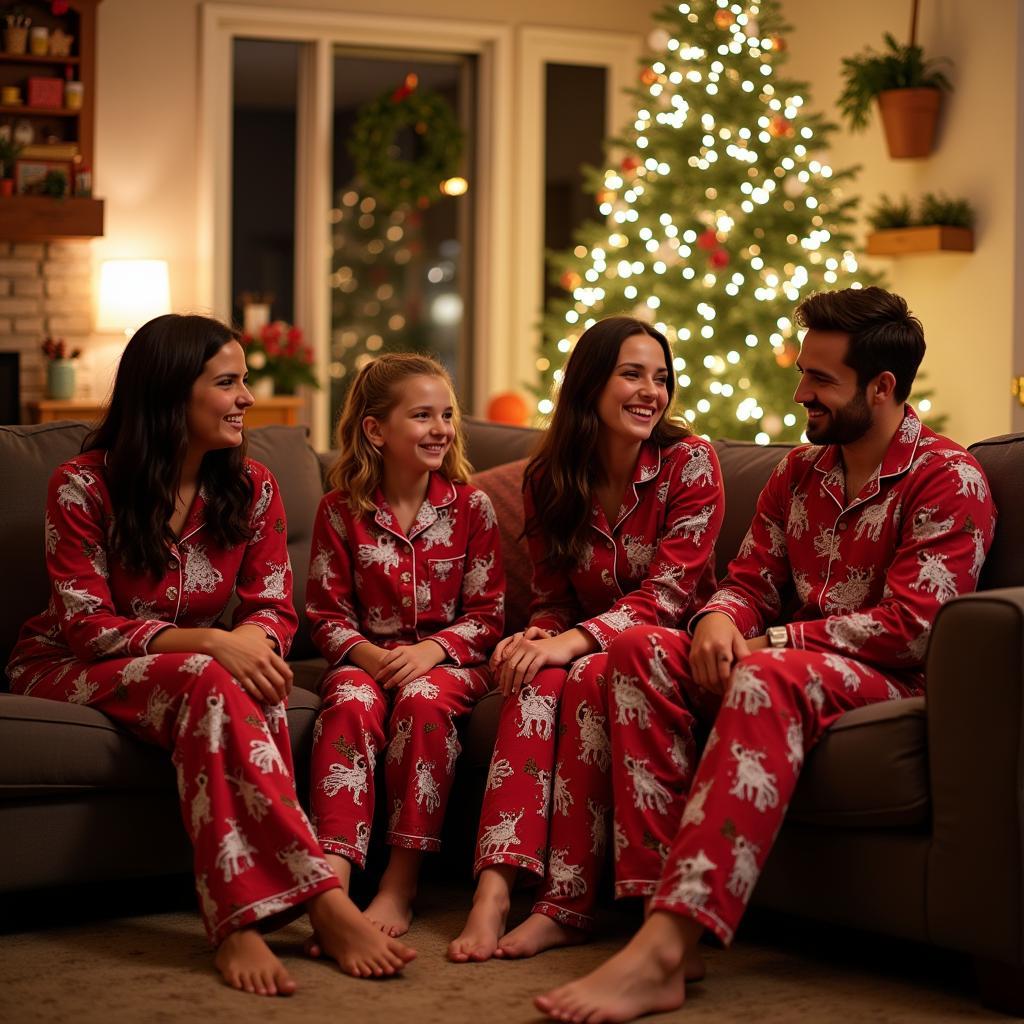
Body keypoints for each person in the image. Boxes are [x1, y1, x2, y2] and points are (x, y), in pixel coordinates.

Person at [534, 286, 997, 1022]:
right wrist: (720, 618)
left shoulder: (948, 478)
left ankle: (664, 947)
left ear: (881, 388)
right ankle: (663, 928)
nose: (799, 392)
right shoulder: (799, 473)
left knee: (765, 674)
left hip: (891, 680)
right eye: (803, 372)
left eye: (820, 379)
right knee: (639, 648)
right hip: (787, 662)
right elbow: (750, 580)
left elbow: (917, 625)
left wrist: (774, 639)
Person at [5, 314, 416, 996]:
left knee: (245, 679)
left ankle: (254, 915)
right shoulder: (80, 486)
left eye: (245, 380)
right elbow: (86, 626)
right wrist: (212, 641)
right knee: (210, 670)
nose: (247, 397)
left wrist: (247, 643)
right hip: (65, 666)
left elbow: (273, 608)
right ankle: (294, 908)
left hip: (188, 674)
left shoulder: (252, 487)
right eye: (228, 382)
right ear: (169, 394)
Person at [449, 316, 724, 963]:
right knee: (531, 674)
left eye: (661, 377)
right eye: (632, 373)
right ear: (590, 384)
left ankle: (566, 905)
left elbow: (668, 598)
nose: (651, 391)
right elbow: (552, 598)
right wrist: (534, 640)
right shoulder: (549, 479)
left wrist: (567, 642)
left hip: (665, 654)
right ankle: (492, 890)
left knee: (579, 672)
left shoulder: (690, 463)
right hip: (586, 643)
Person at [306, 353, 504, 939]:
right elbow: (323, 613)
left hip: (450, 665)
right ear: (375, 430)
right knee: (348, 702)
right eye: (422, 415)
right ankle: (333, 885)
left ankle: (401, 881)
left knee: (421, 701)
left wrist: (431, 653)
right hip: (365, 660)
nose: (441, 428)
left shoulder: (473, 507)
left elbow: (489, 616)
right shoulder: (339, 511)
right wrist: (370, 657)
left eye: (447, 414)